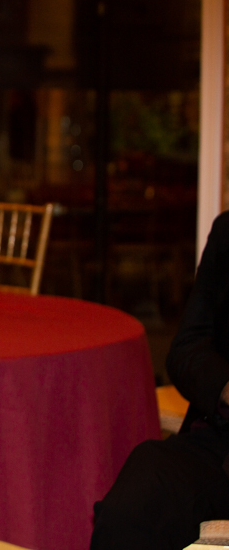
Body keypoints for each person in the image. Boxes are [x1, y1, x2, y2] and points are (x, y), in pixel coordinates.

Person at [91, 212, 229, 550]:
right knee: (136, 497)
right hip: (218, 442)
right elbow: (186, 349)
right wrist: (226, 386)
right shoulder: (227, 232)